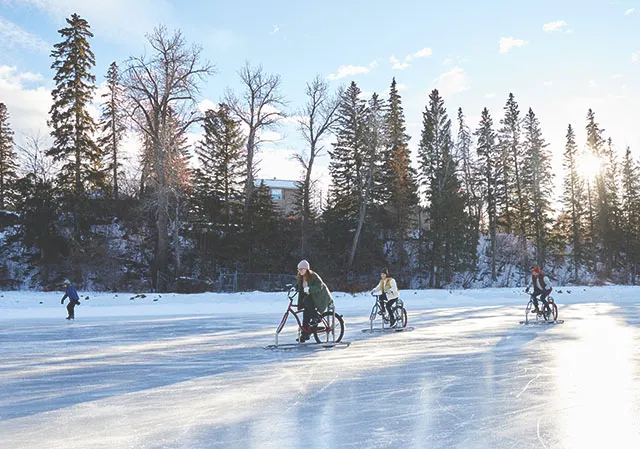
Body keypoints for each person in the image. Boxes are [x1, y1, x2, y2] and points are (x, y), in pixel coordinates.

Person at [295, 260, 333, 342]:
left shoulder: (313, 276)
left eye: (301, 269)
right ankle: (305, 334)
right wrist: (294, 288)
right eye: (299, 269)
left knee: (306, 300)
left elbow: (320, 286)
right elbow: (299, 286)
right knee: (306, 315)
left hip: (320, 297)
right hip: (311, 298)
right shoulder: (301, 277)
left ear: (306, 269)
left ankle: (316, 318)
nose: (300, 271)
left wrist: (309, 289)